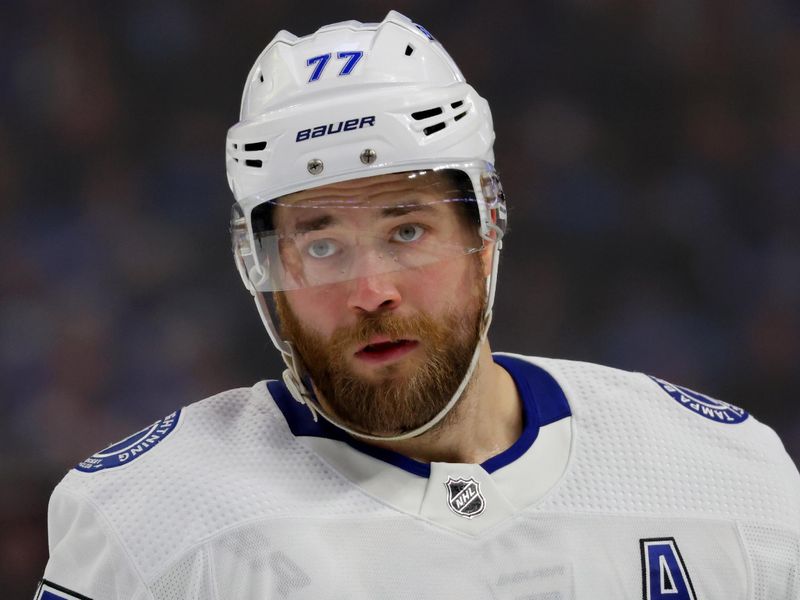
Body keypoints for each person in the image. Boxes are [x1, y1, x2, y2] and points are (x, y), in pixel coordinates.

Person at [36, 11, 799, 600]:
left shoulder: (724, 478)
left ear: (487, 232)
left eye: (407, 229)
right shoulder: (147, 522)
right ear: (263, 269)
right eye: (323, 244)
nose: (372, 292)